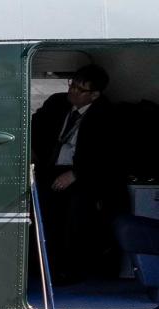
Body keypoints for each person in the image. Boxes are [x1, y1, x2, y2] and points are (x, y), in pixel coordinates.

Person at [31, 64, 123, 284]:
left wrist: (75, 174)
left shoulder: (106, 115)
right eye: (72, 85)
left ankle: (67, 270)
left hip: (84, 174)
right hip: (50, 167)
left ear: (94, 95)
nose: (73, 92)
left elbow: (107, 156)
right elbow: (35, 125)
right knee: (37, 205)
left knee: (74, 211)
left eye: (81, 90)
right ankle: (38, 265)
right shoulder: (56, 102)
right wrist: (32, 151)